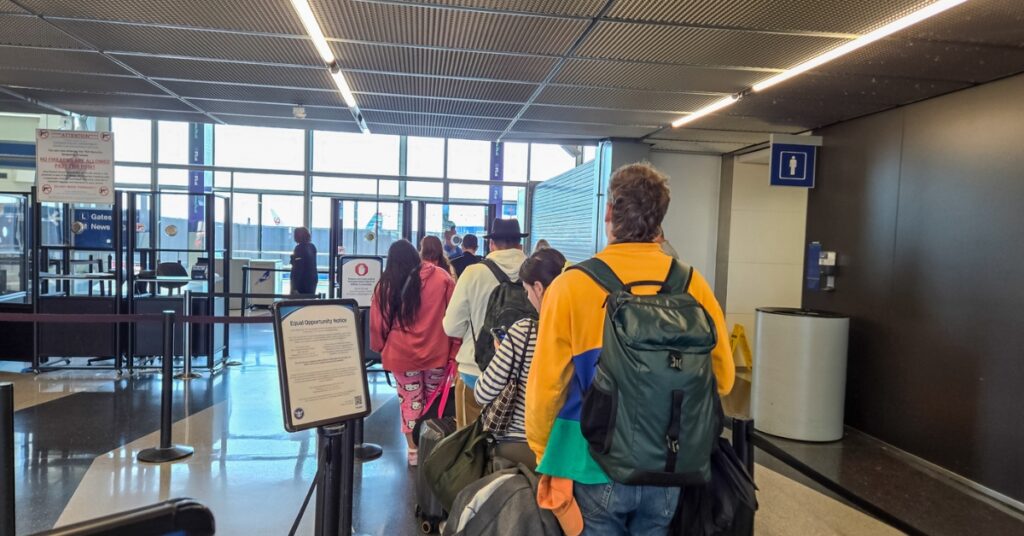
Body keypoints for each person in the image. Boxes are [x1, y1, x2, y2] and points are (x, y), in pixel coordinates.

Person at [526, 163, 735, 535]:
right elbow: (724, 379)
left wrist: (544, 451)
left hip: (589, 462)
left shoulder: (570, 286)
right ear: (660, 218)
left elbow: (546, 389)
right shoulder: (691, 283)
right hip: (669, 465)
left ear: (609, 213)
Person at [370, 240, 460, 466]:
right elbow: (455, 316)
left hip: (402, 356)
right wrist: (454, 350)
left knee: (410, 403)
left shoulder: (386, 284)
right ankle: (434, 448)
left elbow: (378, 323)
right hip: (437, 353)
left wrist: (380, 347)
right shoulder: (442, 278)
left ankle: (413, 452)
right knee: (434, 402)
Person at [474, 247, 566, 469]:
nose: (527, 297)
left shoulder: (524, 331)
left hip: (520, 444)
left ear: (538, 287)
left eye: (527, 291)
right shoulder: (578, 330)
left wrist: (503, 353)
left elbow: (482, 392)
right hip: (565, 445)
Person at [443, 218, 528, 428]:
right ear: (520, 244)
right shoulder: (534, 272)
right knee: (513, 446)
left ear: (491, 244)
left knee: (471, 447)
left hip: (476, 372)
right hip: (523, 377)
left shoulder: (474, 273)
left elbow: (451, 326)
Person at [289, 227, 318, 295]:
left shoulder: (299, 248)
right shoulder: (312, 247)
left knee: (298, 303)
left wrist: (294, 287)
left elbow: (298, 268)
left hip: (302, 282)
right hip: (312, 280)